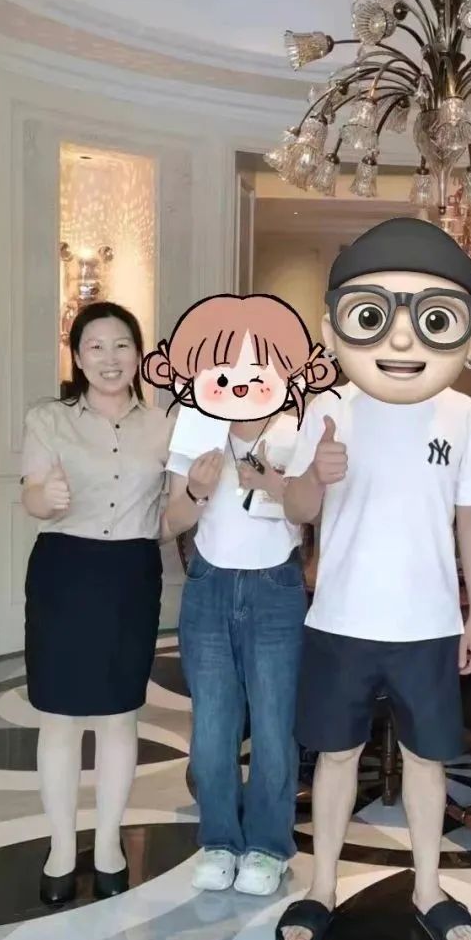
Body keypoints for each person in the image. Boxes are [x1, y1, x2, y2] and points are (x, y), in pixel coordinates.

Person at [274, 217, 471, 940]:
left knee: (429, 761)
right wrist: (315, 475)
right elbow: (297, 509)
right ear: (335, 331)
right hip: (341, 618)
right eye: (374, 316)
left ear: (468, 339)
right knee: (336, 757)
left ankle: (429, 890)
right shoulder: (328, 409)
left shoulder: (463, 416)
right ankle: (322, 885)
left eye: (431, 319)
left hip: (427, 624)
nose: (401, 340)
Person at [143, 294, 338, 897]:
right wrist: (198, 491)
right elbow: (168, 524)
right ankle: (220, 840)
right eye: (227, 369)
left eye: (259, 368)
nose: (243, 381)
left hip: (277, 586)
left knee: (276, 724)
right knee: (213, 724)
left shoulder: (296, 425)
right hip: (209, 584)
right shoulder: (195, 422)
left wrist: (272, 481)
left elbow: (307, 511)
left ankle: (268, 846)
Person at [20, 301, 173, 905]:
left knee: (118, 716)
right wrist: (46, 497)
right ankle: (61, 847)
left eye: (122, 345)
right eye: (96, 347)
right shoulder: (48, 419)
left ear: (139, 354)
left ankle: (109, 843)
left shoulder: (163, 426)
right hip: (64, 571)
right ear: (78, 358)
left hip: (131, 573)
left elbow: (167, 521)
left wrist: (198, 493)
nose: (110, 358)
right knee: (58, 717)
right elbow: (32, 497)